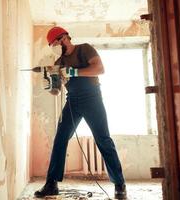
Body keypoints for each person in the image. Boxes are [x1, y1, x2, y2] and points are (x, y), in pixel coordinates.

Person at [34, 26, 127, 199]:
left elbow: (99, 69)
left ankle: (119, 184)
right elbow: (57, 92)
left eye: (54, 42)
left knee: (103, 140)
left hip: (92, 99)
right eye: (51, 45)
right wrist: (51, 83)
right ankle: (51, 184)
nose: (54, 46)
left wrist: (73, 72)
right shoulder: (58, 63)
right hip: (73, 102)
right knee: (60, 138)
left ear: (64, 38)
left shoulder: (85, 49)